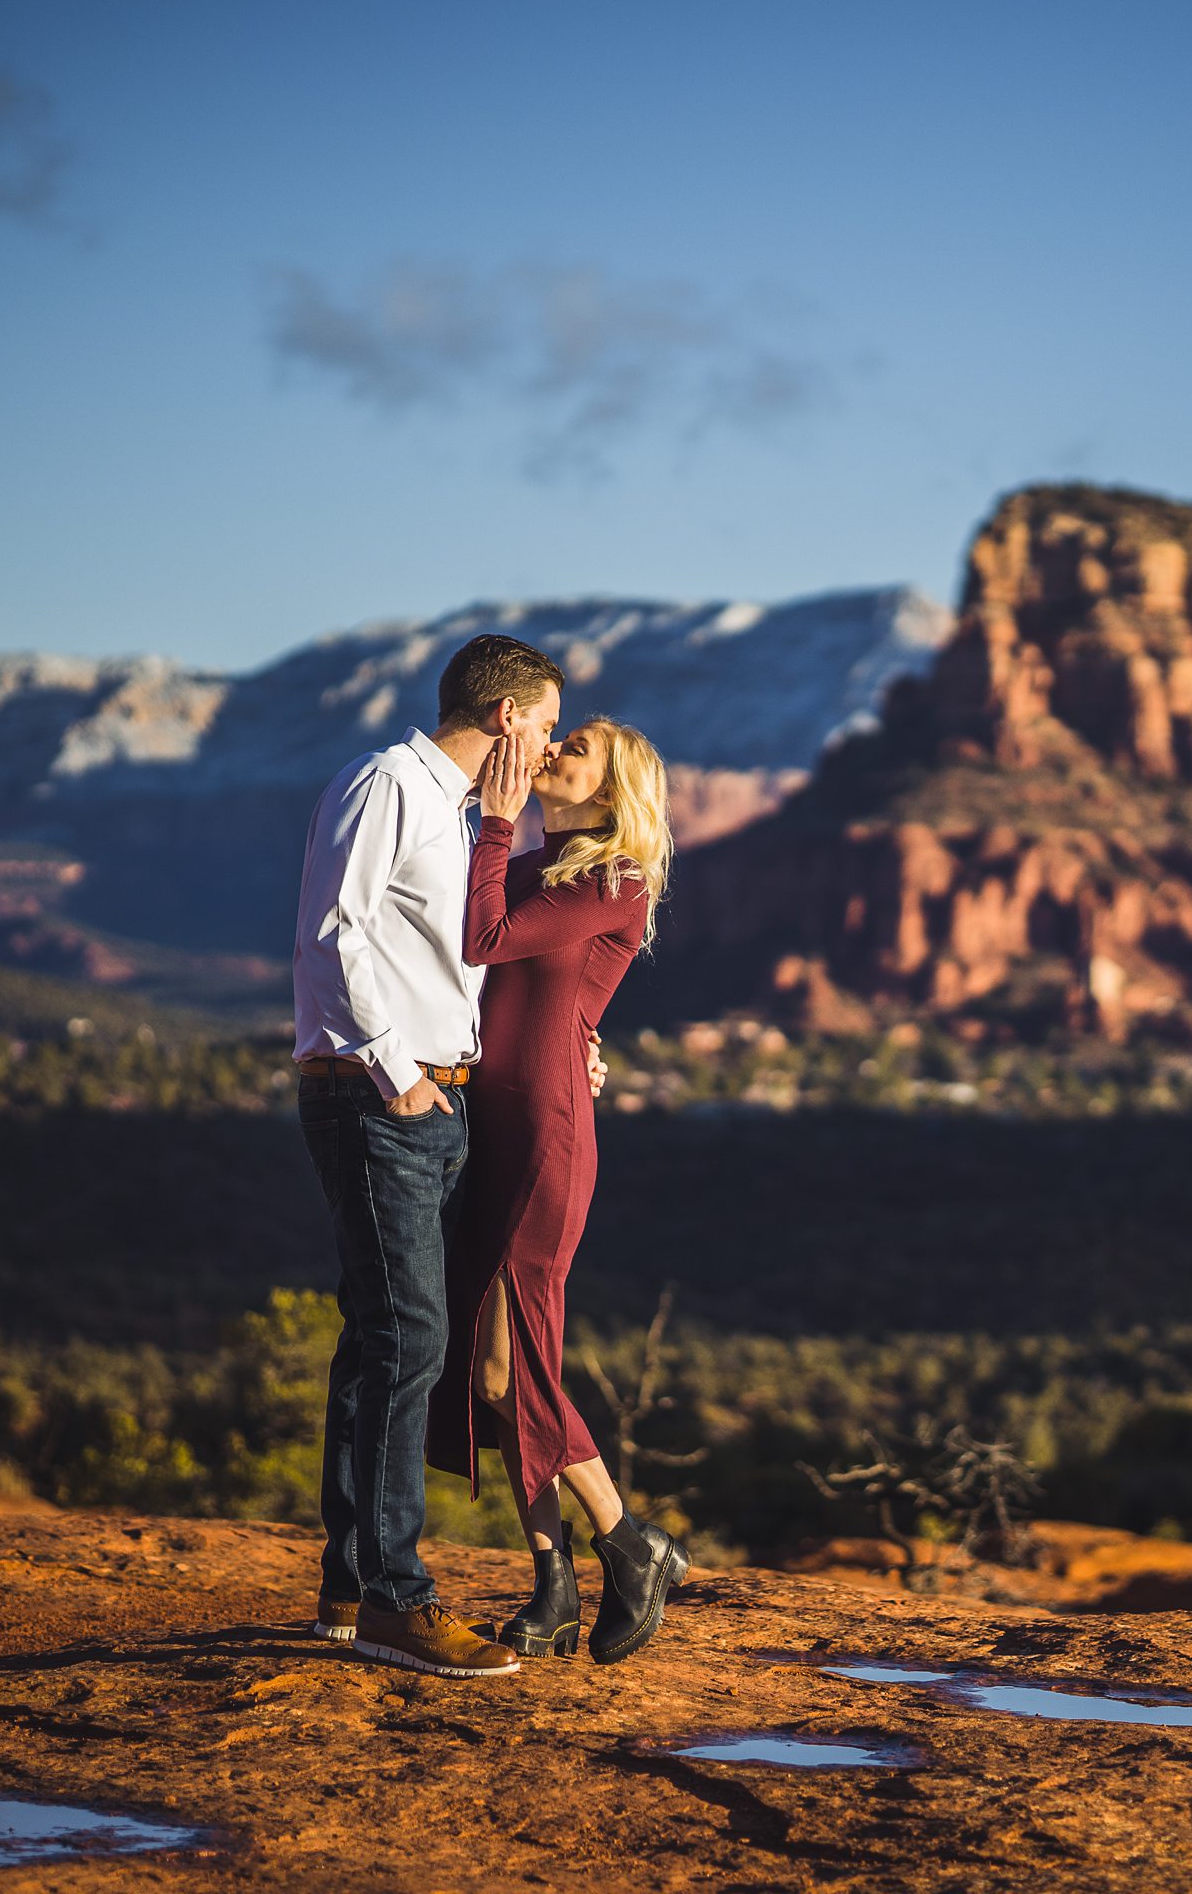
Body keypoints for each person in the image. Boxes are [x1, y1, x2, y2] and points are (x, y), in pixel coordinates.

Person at [291, 632, 567, 1679]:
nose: (546, 748)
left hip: (432, 1102)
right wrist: (391, 1069)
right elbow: (335, 930)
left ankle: (349, 1579)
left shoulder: (457, 816)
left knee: (379, 1338)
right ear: (505, 716)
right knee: (411, 1337)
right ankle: (396, 1600)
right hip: (381, 1099)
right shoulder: (388, 784)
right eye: (544, 725)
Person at [428, 715, 691, 1665]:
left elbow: (484, 936)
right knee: (495, 1375)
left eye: (571, 747)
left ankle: (630, 1541)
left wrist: (494, 821)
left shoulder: (610, 880)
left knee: (514, 1367)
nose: (553, 753)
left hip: (545, 1135)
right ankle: (553, 1585)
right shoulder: (544, 865)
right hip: (491, 1129)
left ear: (608, 788)